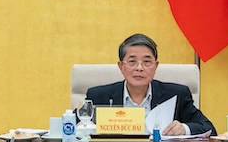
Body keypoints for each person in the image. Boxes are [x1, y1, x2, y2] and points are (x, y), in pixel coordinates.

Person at [84, 34, 215, 136]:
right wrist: (84, 128)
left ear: (156, 66)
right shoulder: (98, 96)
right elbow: (72, 126)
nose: (139, 68)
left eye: (147, 61)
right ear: (121, 66)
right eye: (132, 61)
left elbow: (209, 128)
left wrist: (184, 129)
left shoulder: (176, 95)